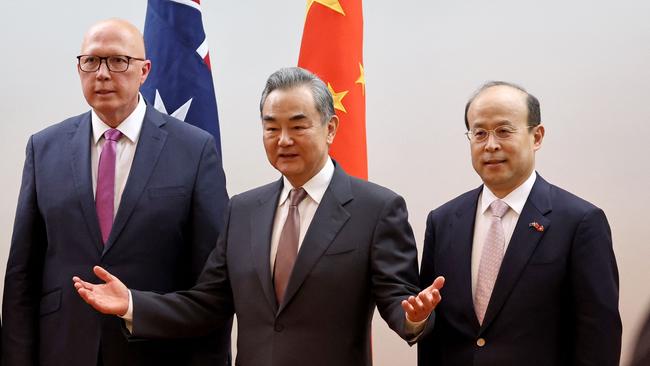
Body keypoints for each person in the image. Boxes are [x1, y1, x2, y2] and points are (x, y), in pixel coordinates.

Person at [73, 66, 445, 366]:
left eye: (298, 126)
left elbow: (401, 301)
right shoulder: (243, 210)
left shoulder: (376, 209)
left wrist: (414, 315)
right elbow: (207, 304)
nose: (283, 139)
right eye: (271, 127)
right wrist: (133, 304)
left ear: (330, 128)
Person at [1, 19, 231, 366]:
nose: (103, 73)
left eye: (118, 61)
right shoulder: (44, 148)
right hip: (62, 349)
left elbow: (212, 284)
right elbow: (22, 275)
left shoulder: (194, 151)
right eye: (91, 61)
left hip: (157, 350)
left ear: (145, 70)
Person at [418, 81, 621, 365]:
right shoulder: (443, 221)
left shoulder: (580, 222)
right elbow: (433, 336)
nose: (490, 145)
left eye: (503, 131)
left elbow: (598, 335)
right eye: (479, 133)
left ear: (537, 137)